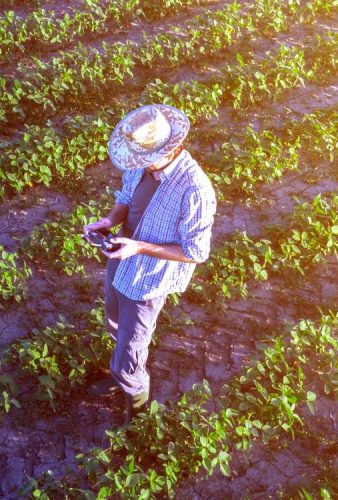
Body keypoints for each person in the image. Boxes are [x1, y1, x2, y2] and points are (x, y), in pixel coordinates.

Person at [82, 104, 217, 424]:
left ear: (173, 148)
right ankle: (121, 377)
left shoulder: (195, 189)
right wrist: (108, 221)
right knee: (114, 321)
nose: (140, 164)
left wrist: (140, 247)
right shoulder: (140, 163)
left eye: (147, 158)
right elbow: (126, 200)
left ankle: (137, 406)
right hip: (123, 259)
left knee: (131, 346)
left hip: (149, 277)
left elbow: (196, 251)